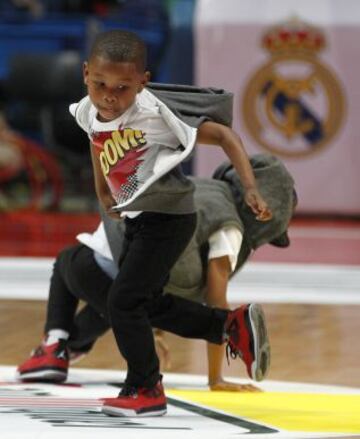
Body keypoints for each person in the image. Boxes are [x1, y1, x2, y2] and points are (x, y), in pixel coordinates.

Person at [17, 29, 273, 417]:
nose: (109, 96)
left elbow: (223, 135)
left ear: (143, 83)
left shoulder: (156, 114)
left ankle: (145, 387)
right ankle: (230, 326)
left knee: (123, 301)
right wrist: (104, 192)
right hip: (138, 220)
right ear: (86, 73)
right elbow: (95, 138)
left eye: (122, 88)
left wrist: (251, 188)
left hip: (169, 218)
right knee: (144, 302)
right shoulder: (88, 108)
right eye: (100, 83)